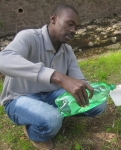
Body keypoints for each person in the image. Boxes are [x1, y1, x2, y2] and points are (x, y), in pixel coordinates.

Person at [0, 3, 107, 150]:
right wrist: (58, 77)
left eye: (76, 27)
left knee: (99, 104)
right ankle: (34, 132)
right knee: (51, 119)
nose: (73, 30)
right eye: (70, 24)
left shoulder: (67, 51)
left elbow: (79, 81)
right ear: (53, 18)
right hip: (19, 98)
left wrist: (115, 92)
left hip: (51, 96)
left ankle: (48, 114)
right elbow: (3, 59)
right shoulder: (29, 37)